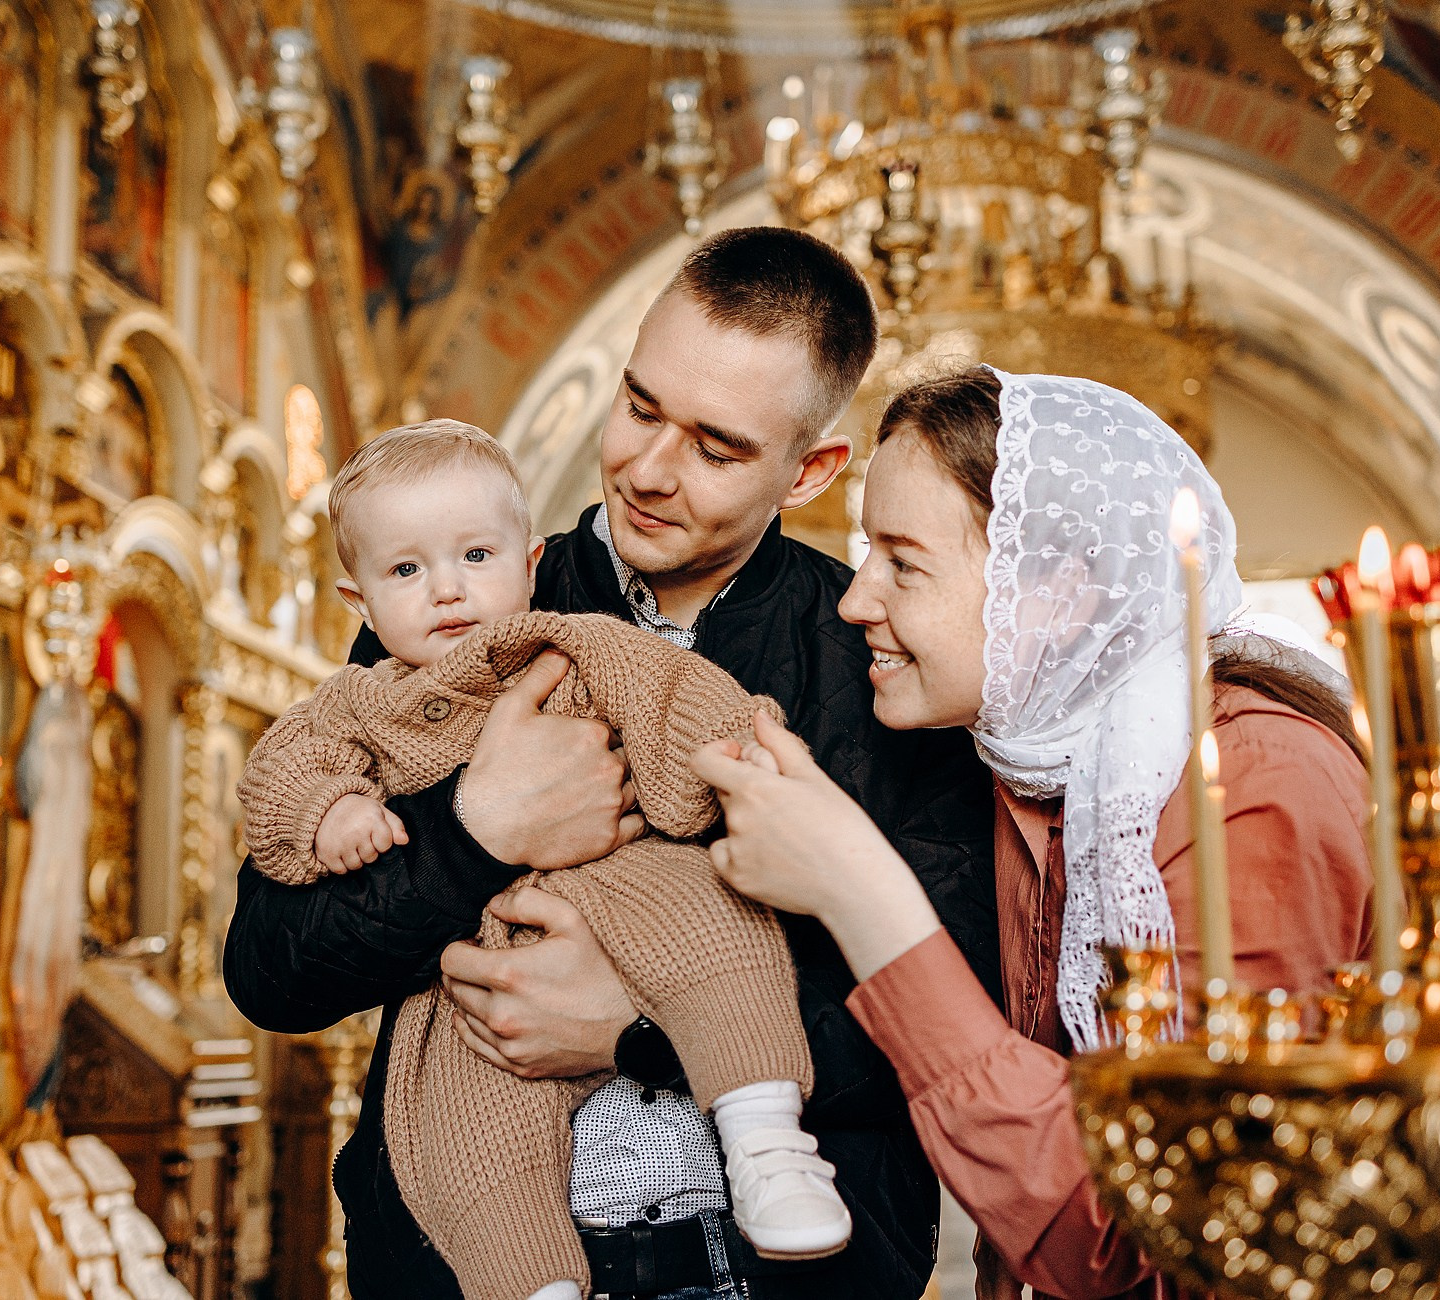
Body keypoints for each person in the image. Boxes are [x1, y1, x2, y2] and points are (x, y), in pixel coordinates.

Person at [222, 227, 1002, 1300]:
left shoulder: (878, 655)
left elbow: (955, 1009)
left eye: (716, 450)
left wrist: (633, 1033)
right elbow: (270, 968)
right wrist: (475, 833)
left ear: (810, 471)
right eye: (640, 407)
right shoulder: (462, 604)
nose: (648, 470)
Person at [692, 366, 1376, 1300]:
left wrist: (857, 888)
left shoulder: (1256, 780)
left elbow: (1142, 1230)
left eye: (903, 562)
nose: (856, 603)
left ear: (1054, 591)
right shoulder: (1023, 761)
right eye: (864, 554)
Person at [239, 421, 850, 1300]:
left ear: (531, 564)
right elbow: (282, 772)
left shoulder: (575, 642)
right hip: (479, 969)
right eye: (405, 570)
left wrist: (726, 761)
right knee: (466, 1131)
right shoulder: (360, 700)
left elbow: (673, 694)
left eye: (475, 556)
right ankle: (529, 1283)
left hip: (632, 878)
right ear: (360, 600)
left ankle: (766, 1139)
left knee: (721, 930)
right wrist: (327, 812)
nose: (447, 589)